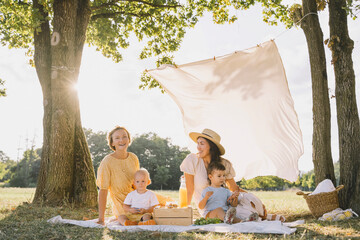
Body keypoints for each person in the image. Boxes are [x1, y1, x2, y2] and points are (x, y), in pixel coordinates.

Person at [180, 128, 243, 216]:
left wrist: (250, 198)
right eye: (197, 143)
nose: (198, 147)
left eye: (202, 143)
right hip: (208, 209)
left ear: (211, 146)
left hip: (226, 206)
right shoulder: (192, 160)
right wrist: (185, 209)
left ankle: (262, 214)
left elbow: (234, 188)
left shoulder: (224, 164)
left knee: (249, 203)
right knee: (229, 214)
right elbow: (189, 189)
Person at [96, 126, 140, 225]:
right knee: (126, 216)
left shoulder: (133, 158)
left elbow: (137, 183)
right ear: (112, 143)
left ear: (129, 140)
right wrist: (101, 219)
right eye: (117, 138)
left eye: (124, 136)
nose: (121, 140)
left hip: (136, 197)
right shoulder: (107, 161)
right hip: (120, 202)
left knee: (161, 206)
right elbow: (103, 190)